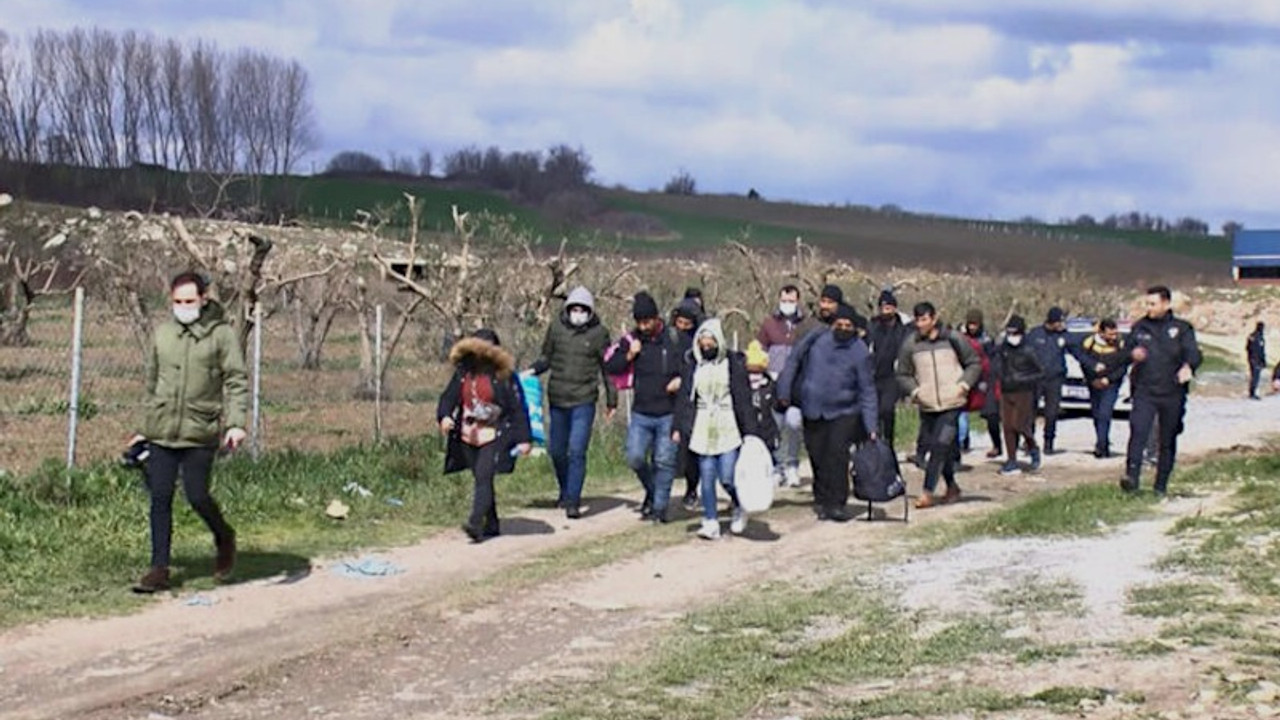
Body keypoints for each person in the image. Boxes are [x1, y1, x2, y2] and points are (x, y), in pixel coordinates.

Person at [130, 271, 249, 594]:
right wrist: (143, 430)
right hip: (162, 430)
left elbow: (236, 380)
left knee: (197, 495)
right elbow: (152, 384)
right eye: (177, 301)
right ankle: (158, 569)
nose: (183, 307)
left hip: (200, 429)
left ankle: (224, 535)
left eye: (189, 301)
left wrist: (236, 423)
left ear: (203, 299)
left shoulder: (221, 335)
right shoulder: (163, 334)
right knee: (160, 496)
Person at [777, 304, 879, 522]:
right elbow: (793, 360)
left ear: (854, 328)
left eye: (848, 325)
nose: (843, 328)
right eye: (839, 324)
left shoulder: (859, 350)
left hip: (844, 411)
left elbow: (867, 389)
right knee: (817, 455)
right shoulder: (816, 340)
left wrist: (871, 426)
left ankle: (837, 503)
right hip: (813, 408)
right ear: (833, 324)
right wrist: (784, 391)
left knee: (836, 455)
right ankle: (822, 500)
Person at [437, 329, 533, 542]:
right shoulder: (463, 374)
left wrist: (524, 438)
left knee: (483, 476)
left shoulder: (504, 376)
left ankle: (475, 522)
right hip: (467, 434)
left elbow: (518, 408)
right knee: (482, 479)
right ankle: (492, 522)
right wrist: (444, 417)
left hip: (495, 433)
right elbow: (448, 398)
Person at [530, 286, 618, 518]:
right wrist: (531, 372)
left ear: (590, 312)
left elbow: (607, 368)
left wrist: (612, 399)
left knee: (577, 450)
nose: (578, 313)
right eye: (574, 309)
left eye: (583, 310)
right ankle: (565, 489)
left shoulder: (599, 334)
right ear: (567, 309)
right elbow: (546, 357)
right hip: (558, 398)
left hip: (584, 399)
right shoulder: (556, 328)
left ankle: (573, 501)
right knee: (557, 450)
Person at [673, 319, 759, 539]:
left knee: (727, 475)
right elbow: (684, 398)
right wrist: (678, 427)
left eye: (710, 338)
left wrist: (750, 432)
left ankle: (740, 504)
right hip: (702, 424)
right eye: (703, 339)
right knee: (707, 475)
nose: (706, 343)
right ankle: (710, 520)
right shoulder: (693, 365)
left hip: (727, 423)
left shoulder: (732, 364)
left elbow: (743, 400)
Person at [604, 292, 683, 523]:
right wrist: (629, 354)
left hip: (668, 412)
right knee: (635, 457)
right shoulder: (631, 340)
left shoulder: (673, 338)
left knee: (664, 460)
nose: (643, 326)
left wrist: (681, 381)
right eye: (639, 321)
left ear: (656, 318)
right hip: (641, 412)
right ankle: (652, 490)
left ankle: (660, 509)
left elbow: (690, 365)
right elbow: (611, 366)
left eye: (647, 321)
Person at [1117, 286, 1202, 496]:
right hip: (1145, 391)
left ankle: (1160, 485)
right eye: (1147, 303)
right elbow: (1124, 353)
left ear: (1166, 304)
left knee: (1167, 437)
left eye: (1153, 304)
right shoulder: (1140, 327)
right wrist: (1131, 354)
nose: (1149, 308)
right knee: (1138, 431)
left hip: (1172, 391)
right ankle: (1131, 478)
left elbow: (1194, 353)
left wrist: (1188, 367)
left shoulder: (1181, 328)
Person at [897, 302, 983, 509]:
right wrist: (915, 392)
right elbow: (902, 374)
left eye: (925, 319)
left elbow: (974, 363)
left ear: (934, 319)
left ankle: (927, 492)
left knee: (939, 446)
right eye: (917, 320)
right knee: (942, 448)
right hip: (927, 405)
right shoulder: (911, 344)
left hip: (952, 402)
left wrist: (963, 385)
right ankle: (952, 486)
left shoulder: (953, 339)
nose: (921, 324)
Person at [756, 284, 816, 486]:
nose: (787, 304)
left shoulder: (806, 325)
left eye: (791, 300)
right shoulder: (769, 324)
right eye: (784, 300)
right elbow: (759, 350)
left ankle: (792, 465)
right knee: (775, 427)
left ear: (798, 301)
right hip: (773, 383)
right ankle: (777, 467)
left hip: (797, 385)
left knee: (793, 423)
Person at [994, 316, 1043, 475]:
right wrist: (1001, 376)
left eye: (1015, 334)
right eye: (1009, 333)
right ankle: (1011, 460)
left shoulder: (1029, 349)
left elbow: (1041, 372)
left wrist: (1022, 378)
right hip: (1006, 390)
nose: (1012, 337)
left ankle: (1032, 446)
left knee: (1020, 425)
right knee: (1007, 426)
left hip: (1024, 391)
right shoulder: (1003, 348)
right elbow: (997, 364)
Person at [669, 295, 705, 509]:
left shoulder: (699, 343)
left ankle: (692, 487)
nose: (682, 328)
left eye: (687, 324)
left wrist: (684, 381)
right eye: (679, 323)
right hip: (668, 398)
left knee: (691, 449)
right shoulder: (668, 337)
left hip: (691, 399)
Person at [867, 289, 911, 452]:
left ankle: (889, 443)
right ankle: (876, 446)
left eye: (889, 307)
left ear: (894, 308)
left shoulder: (903, 328)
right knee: (874, 413)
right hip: (874, 375)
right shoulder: (873, 326)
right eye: (883, 307)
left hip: (893, 376)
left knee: (887, 409)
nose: (885, 310)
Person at [1080, 318, 1127, 458]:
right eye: (1110, 334)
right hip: (1094, 384)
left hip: (1112, 384)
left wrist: (1109, 379)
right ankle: (1101, 440)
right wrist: (1092, 379)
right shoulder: (1089, 343)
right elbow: (1084, 363)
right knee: (1096, 413)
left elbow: (1123, 366)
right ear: (1101, 333)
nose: (1113, 337)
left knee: (1105, 413)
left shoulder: (1121, 344)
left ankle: (1102, 446)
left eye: (1115, 334)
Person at [1027, 307, 1070, 454]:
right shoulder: (1034, 334)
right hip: (1035, 379)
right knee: (1030, 412)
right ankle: (1029, 442)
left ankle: (1049, 442)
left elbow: (1078, 352)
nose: (1061, 324)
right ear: (1053, 321)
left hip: (1054, 379)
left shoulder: (1063, 336)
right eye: (1060, 321)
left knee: (1051, 413)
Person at [958, 309, 1001, 458]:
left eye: (975, 324)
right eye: (970, 324)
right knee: (961, 411)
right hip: (966, 378)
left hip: (985, 379)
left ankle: (997, 444)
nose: (972, 327)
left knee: (991, 414)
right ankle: (963, 442)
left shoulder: (987, 339)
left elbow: (993, 360)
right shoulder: (961, 338)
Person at [744, 340, 782, 457]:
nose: (754, 376)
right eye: (751, 371)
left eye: (757, 372)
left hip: (767, 431)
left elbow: (777, 408)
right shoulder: (741, 385)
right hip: (746, 434)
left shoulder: (770, 385)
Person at [1247, 321, 1267, 400]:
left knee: (1254, 376)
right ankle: (1253, 393)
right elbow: (1261, 351)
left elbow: (1247, 348)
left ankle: (1252, 392)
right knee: (1255, 377)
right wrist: (1263, 360)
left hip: (1252, 358)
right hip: (1256, 360)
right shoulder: (1259, 338)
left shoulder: (1252, 336)